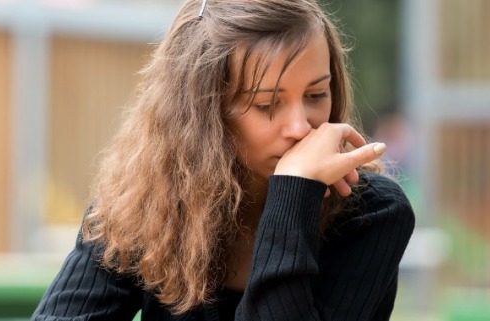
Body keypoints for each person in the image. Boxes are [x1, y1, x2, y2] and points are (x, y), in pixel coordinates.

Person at [32, 0, 415, 320]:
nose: (301, 127)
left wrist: (294, 192)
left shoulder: (372, 213)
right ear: (204, 113)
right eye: (267, 104)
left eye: (316, 95)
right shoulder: (144, 204)